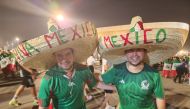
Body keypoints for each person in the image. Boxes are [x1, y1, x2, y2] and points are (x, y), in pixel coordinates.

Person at [97, 16, 188, 109]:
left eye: (139, 49)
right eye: (130, 50)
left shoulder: (154, 74)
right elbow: (95, 82)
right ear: (125, 52)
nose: (135, 54)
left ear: (145, 51)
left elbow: (160, 98)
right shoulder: (116, 70)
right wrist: (115, 88)